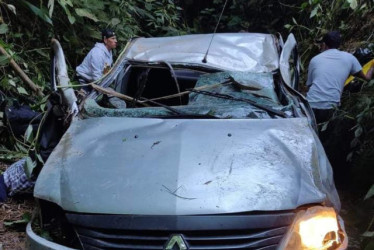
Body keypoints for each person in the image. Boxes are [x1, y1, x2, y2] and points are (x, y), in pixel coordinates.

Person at [306, 31, 374, 125]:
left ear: (324, 44)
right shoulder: (349, 58)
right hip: (330, 106)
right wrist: (372, 67)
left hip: (310, 104)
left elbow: (309, 86)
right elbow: (366, 78)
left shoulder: (315, 59)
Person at [76, 28, 118, 92]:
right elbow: (96, 75)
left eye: (115, 38)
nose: (116, 41)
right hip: (84, 79)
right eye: (113, 38)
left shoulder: (109, 52)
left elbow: (106, 70)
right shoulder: (97, 53)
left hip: (94, 80)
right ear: (105, 40)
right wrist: (103, 89)